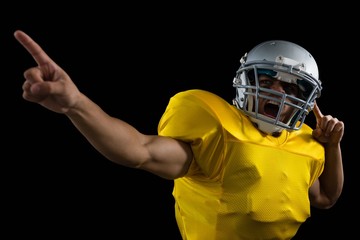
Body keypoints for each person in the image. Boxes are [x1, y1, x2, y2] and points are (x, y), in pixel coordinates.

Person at [14, 29, 344, 240]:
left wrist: (332, 147)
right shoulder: (221, 132)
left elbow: (325, 198)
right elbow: (138, 150)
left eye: (290, 87)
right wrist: (77, 104)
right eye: (268, 81)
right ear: (248, 82)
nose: (277, 93)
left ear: (306, 99)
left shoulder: (305, 144)